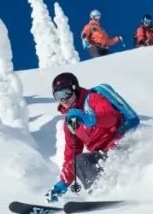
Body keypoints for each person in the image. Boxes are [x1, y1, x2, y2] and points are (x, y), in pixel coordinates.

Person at [45, 71, 140, 202]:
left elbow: (111, 118)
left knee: (83, 160)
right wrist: (62, 183)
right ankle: (100, 193)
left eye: (65, 93)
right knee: (80, 160)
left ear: (75, 89)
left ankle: (101, 194)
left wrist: (89, 119)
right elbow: (71, 155)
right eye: (58, 96)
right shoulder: (70, 123)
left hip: (121, 145)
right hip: (103, 157)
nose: (63, 100)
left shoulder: (93, 99)